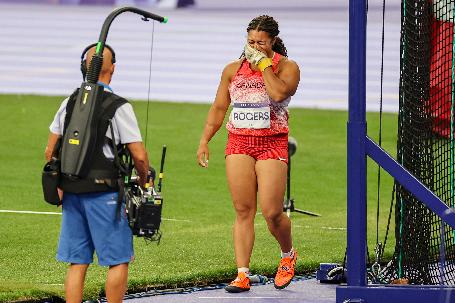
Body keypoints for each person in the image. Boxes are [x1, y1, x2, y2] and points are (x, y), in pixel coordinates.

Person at [196, 15, 300, 292]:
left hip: (271, 143)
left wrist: (265, 65)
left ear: (273, 41)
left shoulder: (287, 67)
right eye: (250, 41)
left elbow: (278, 94)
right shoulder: (233, 69)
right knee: (243, 210)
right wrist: (205, 139)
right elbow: (219, 108)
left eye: (261, 42)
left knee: (271, 212)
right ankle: (242, 273)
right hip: (239, 142)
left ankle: (287, 255)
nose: (254, 47)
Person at [44, 44, 149, 303]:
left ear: (84, 67)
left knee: (77, 262)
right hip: (105, 194)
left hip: (71, 190)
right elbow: (139, 155)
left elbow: (50, 151)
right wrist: (144, 180)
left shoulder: (69, 102)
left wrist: (61, 181)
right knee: (118, 261)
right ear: (112, 68)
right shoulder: (119, 106)